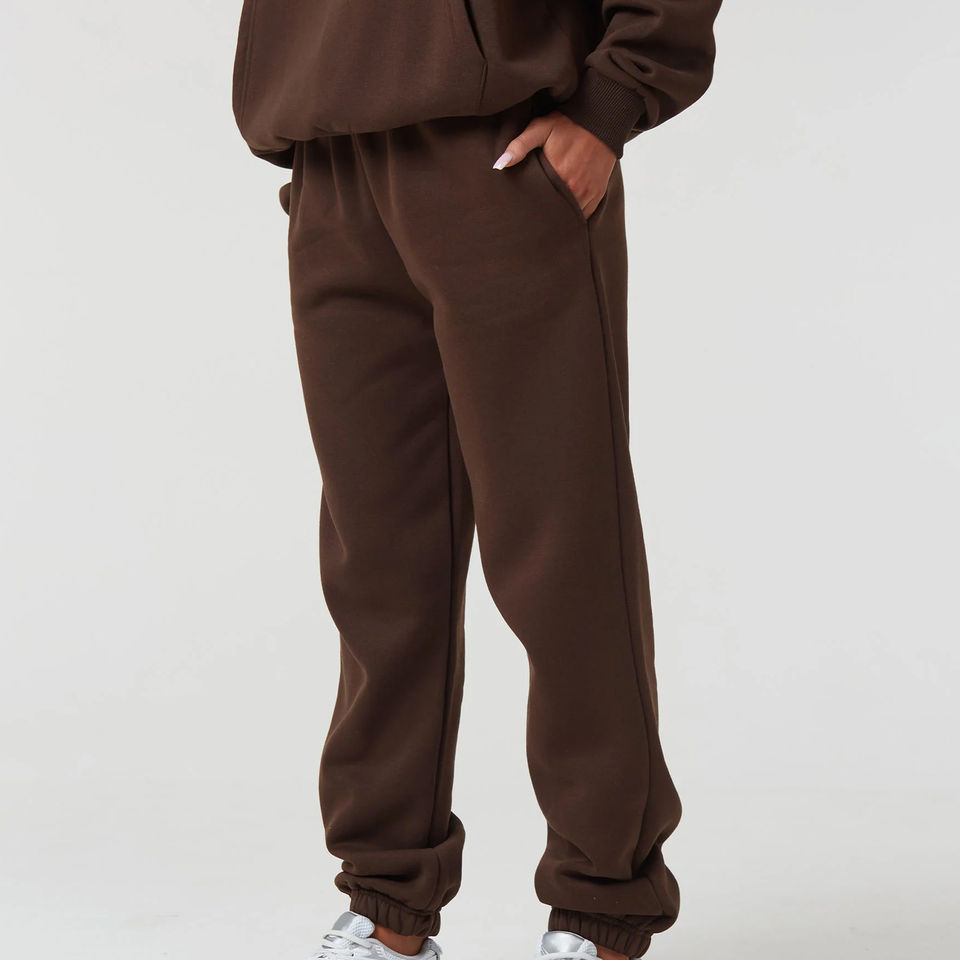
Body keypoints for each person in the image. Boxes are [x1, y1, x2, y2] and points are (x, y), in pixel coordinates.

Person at [232, 2, 721, 958]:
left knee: (557, 546)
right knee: (378, 564)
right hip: (332, 153)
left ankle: (603, 904)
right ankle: (386, 900)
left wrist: (611, 102)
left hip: (499, 153)